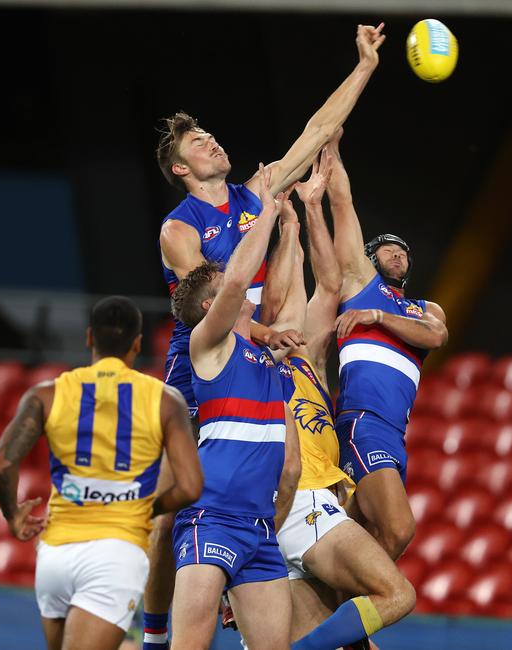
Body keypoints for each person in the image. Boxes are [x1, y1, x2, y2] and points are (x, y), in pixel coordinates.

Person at [146, 25, 386, 648]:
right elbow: (208, 304)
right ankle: (153, 631)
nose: (213, 142)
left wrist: (364, 66)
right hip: (208, 357)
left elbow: (315, 131)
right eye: (199, 142)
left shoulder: (260, 195)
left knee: (278, 467)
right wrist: (263, 329)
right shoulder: (181, 228)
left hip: (258, 351)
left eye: (212, 135)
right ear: (181, 168)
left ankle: (250, 579)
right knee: (174, 505)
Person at [0, 296, 203, 650]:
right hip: (114, 554)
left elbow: (1, 464)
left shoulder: (48, 393)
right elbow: (190, 486)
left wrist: (12, 515)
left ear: (90, 338)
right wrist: (142, 507)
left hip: (56, 554)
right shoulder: (164, 399)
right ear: (137, 343)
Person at [263, 149, 415, 649]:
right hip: (301, 507)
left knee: (347, 640)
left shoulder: (306, 361)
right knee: (395, 595)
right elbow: (283, 290)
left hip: (310, 514)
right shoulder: (253, 366)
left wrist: (304, 215)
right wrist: (281, 228)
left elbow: (327, 283)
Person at [168, 166, 301, 650]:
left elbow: (290, 468)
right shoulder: (208, 344)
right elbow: (241, 273)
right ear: (211, 305)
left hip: (261, 528)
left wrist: (293, 230)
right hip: (213, 515)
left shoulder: (267, 357)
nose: (236, 285)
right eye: (223, 286)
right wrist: (264, 212)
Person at [327, 131, 448, 560]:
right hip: (363, 420)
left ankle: (320, 612)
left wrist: (379, 318)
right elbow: (343, 205)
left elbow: (436, 336)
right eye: (388, 251)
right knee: (397, 530)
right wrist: (331, 147)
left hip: (395, 433)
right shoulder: (362, 286)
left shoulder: (424, 308)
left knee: (351, 538)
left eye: (403, 253)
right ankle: (349, 627)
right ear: (370, 259)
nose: (397, 255)